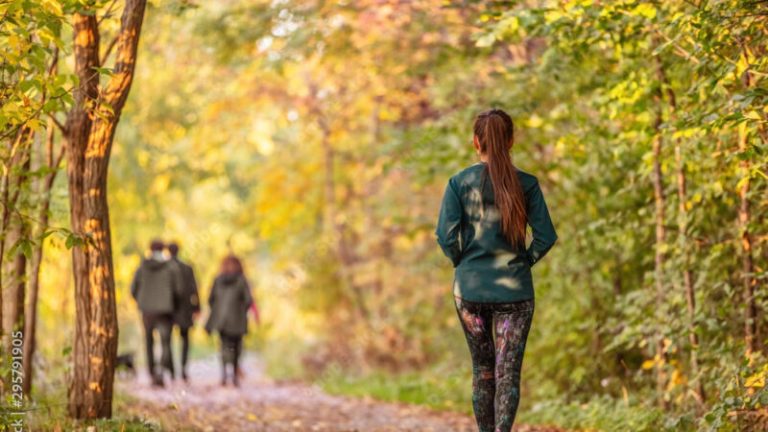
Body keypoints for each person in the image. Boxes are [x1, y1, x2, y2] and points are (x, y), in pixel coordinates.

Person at [436, 109, 557, 432]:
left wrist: (463, 263)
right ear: (511, 141)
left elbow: (445, 237)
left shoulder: (458, 183)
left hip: (470, 291)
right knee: (508, 374)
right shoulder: (527, 184)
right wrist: (524, 262)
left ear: (476, 142)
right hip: (515, 292)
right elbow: (546, 237)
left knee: (483, 371)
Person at [130, 239, 183, 387]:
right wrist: (173, 305)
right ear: (163, 249)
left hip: (147, 310)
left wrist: (142, 302)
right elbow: (179, 291)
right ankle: (160, 369)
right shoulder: (171, 267)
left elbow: (133, 289)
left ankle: (151, 373)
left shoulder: (142, 267)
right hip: (165, 311)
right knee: (166, 342)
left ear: (150, 249)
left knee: (148, 342)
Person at [205, 254, 254, 387]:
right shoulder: (242, 280)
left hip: (221, 320)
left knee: (224, 346)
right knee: (237, 347)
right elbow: (248, 300)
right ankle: (234, 375)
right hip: (237, 319)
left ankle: (224, 375)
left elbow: (210, 299)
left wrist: (218, 310)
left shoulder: (218, 280)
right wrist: (241, 310)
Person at [167, 242, 200, 382]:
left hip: (169, 309)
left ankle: (172, 370)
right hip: (185, 309)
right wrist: (197, 307)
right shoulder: (187, 268)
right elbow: (194, 289)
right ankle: (183, 369)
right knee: (185, 339)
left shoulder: (165, 268)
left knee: (166, 340)